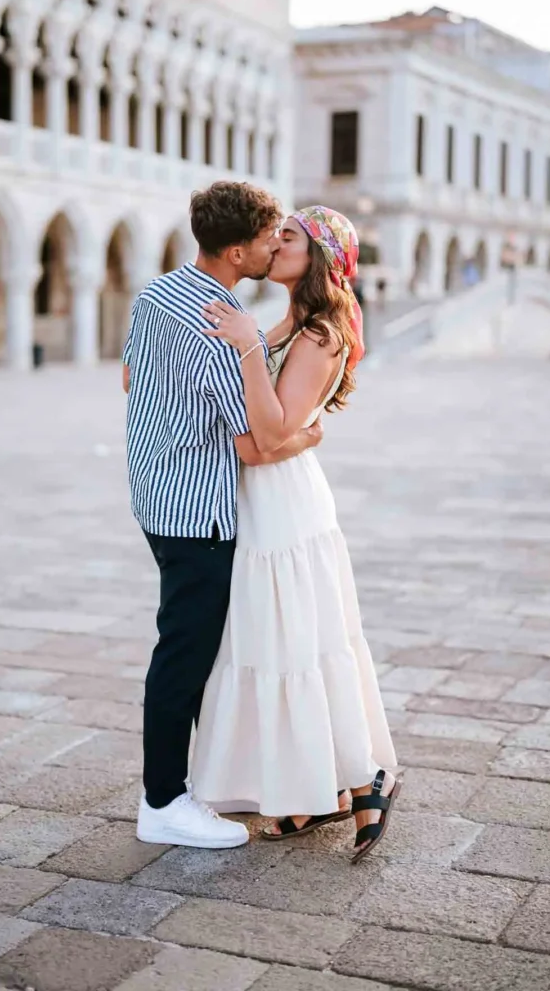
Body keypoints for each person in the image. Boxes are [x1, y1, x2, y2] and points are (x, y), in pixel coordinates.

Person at [192, 206, 400, 862]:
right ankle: (314, 792)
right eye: (276, 234)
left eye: (289, 237)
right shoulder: (281, 322)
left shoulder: (320, 333)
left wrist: (251, 353)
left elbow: (271, 435)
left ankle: (362, 775)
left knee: (301, 643)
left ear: (319, 257)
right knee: (272, 641)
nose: (274, 243)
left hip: (284, 506)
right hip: (257, 500)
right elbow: (274, 432)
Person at [122, 182, 324, 850]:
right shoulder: (224, 328)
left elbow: (130, 379)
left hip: (153, 492)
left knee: (184, 647)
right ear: (237, 252)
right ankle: (163, 801)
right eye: (268, 239)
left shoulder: (155, 294)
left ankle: (189, 786)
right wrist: (307, 436)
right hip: (198, 511)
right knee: (184, 656)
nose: (274, 248)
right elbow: (255, 445)